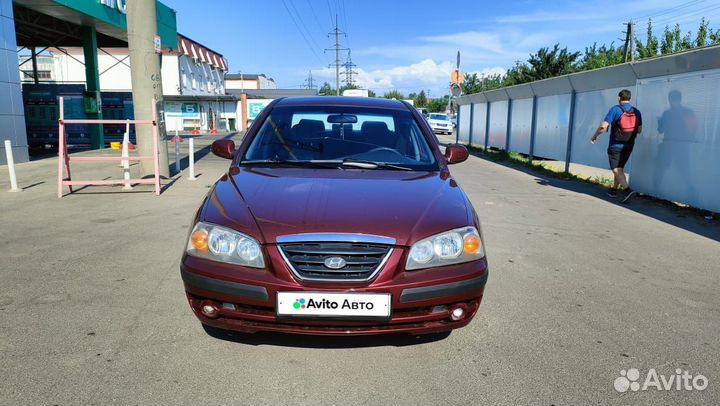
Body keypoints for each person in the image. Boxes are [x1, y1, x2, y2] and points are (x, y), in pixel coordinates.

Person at [591, 89, 643, 203]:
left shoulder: (615, 109)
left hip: (615, 145)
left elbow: (603, 126)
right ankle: (613, 190)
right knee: (619, 169)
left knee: (616, 169)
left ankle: (628, 190)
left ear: (619, 98)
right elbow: (639, 130)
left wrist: (595, 136)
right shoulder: (637, 112)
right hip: (629, 146)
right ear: (630, 99)